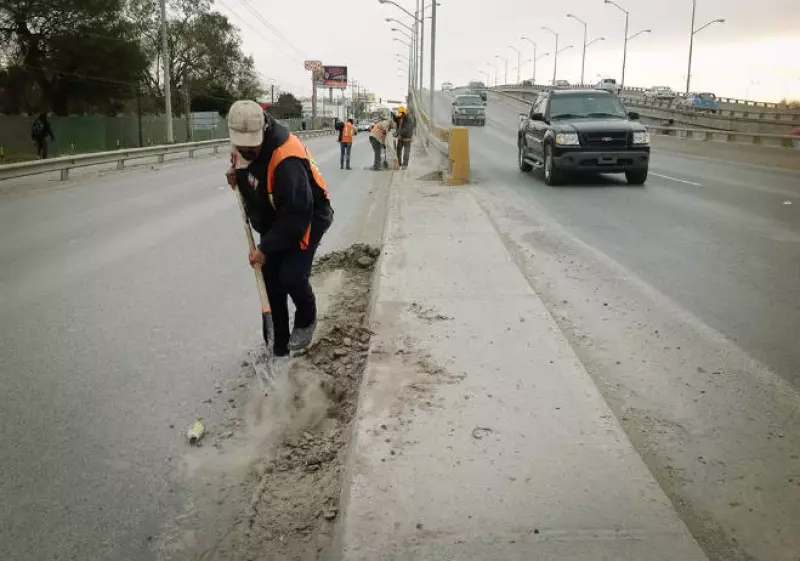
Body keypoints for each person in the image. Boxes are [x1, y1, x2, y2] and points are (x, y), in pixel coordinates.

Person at [224, 100, 334, 359]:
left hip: (307, 215)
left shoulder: (287, 160)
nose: (246, 151)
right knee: (271, 282)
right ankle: (277, 346)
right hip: (274, 216)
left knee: (291, 276)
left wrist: (265, 249)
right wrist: (237, 176)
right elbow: (251, 173)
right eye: (241, 146)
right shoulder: (242, 148)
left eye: (251, 146)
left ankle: (306, 319)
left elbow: (296, 217)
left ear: (263, 129)